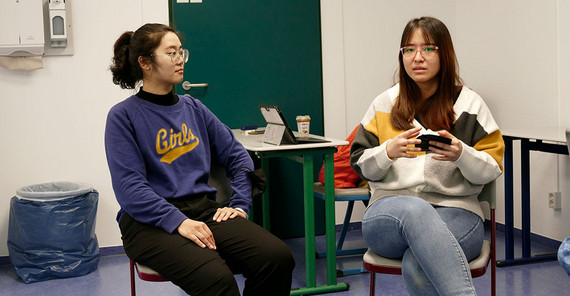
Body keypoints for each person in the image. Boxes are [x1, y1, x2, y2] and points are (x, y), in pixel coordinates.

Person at [105, 23, 295, 296]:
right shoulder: (123, 116)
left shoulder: (193, 107)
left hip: (203, 211)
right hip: (148, 223)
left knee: (277, 258)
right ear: (145, 62)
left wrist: (240, 204)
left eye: (182, 52)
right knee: (216, 280)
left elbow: (237, 155)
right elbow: (130, 189)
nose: (180, 59)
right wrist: (178, 221)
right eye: (171, 53)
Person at [350, 17, 504, 295]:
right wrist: (388, 152)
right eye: (409, 49)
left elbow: (492, 168)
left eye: (428, 48)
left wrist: (461, 154)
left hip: (457, 212)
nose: (417, 57)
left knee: (419, 266)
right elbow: (361, 166)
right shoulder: (384, 103)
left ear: (444, 53)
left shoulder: (470, 104)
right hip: (389, 215)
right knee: (415, 208)